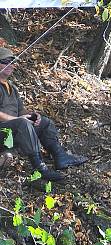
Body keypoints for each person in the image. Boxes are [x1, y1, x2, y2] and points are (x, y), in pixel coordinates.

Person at [0, 47, 87, 182]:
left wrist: (32, 115)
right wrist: (18, 120)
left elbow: (21, 111)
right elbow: (16, 119)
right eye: (6, 61)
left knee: (44, 122)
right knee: (22, 123)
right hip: (3, 133)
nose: (11, 65)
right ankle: (39, 169)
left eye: (13, 61)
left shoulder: (12, 87)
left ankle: (60, 156)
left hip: (15, 132)